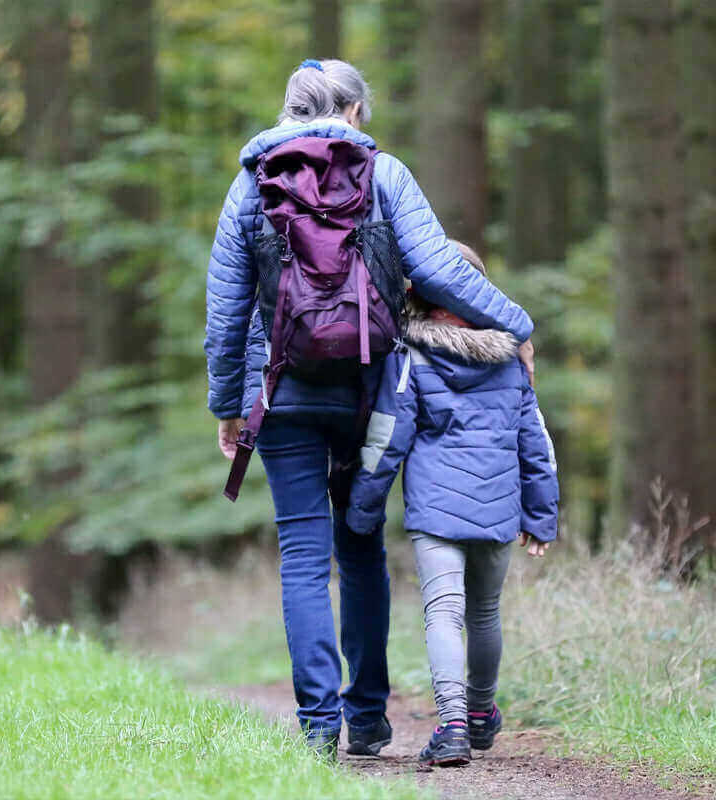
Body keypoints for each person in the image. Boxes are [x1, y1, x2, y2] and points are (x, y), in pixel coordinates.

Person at [204, 59, 536, 760]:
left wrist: (229, 405)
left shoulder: (249, 184)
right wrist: (517, 325)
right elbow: (442, 269)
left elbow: (226, 308)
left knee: (301, 553)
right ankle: (370, 718)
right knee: (360, 548)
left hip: (282, 391)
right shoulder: (385, 174)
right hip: (370, 390)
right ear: (354, 110)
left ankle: (319, 726)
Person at [346, 242, 559, 767]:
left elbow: (386, 436)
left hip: (437, 512)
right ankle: (483, 714)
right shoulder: (511, 359)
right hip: (498, 506)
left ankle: (454, 725)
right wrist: (541, 513)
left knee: (444, 613)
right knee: (484, 613)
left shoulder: (410, 355)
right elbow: (537, 443)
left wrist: (362, 508)